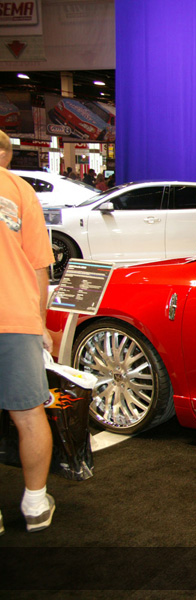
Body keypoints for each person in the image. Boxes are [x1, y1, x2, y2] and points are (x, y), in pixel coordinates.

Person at [0, 130, 56, 534]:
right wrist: (41, 324)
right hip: (16, 316)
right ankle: (35, 504)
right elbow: (40, 266)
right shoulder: (20, 190)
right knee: (30, 415)